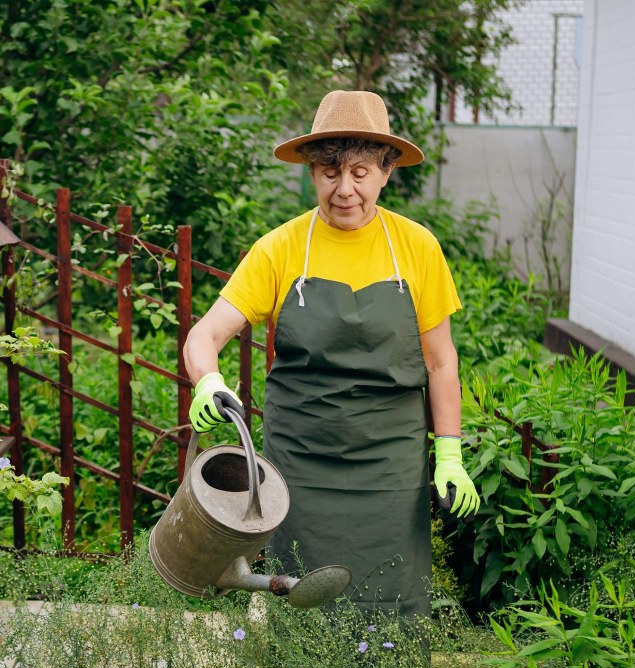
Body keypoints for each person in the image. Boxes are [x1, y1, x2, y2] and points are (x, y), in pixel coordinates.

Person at [183, 90, 480, 623]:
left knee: (391, 594)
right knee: (302, 594)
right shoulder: (280, 248)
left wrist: (450, 453)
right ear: (311, 171)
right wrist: (207, 380)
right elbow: (203, 336)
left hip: (390, 462)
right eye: (329, 172)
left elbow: (441, 363)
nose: (345, 190)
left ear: (387, 171)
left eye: (360, 173)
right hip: (301, 460)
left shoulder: (417, 248)